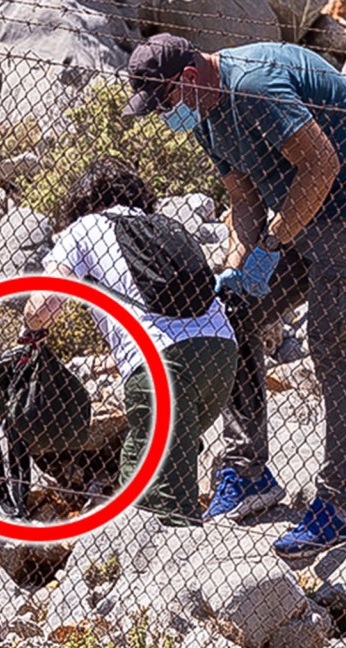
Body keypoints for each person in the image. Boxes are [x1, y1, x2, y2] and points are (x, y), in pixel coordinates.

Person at [121, 34, 346, 558]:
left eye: (165, 103)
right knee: (232, 317)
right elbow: (243, 198)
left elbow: (321, 165)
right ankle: (248, 470)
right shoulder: (205, 113)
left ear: (188, 79)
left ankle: (339, 506)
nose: (166, 117)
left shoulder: (255, 86)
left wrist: (274, 243)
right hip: (303, 212)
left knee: (332, 345)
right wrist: (238, 269)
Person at [23, 157, 238, 526]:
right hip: (220, 357)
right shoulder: (166, 226)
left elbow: (45, 302)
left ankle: (173, 571)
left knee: (158, 503)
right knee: (141, 468)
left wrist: (31, 328)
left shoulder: (87, 227)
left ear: (84, 200)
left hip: (162, 370)